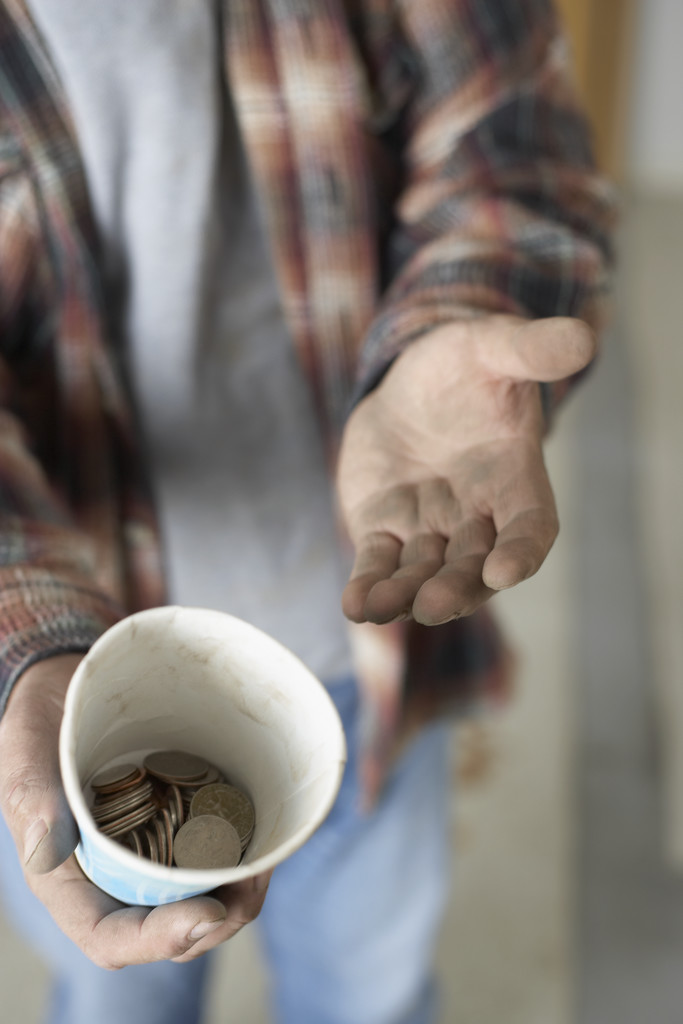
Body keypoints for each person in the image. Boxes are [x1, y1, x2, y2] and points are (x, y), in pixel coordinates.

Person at [0, 1, 615, 1022]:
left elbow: (507, 135)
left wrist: (459, 316)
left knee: (367, 993)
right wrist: (25, 635)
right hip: (65, 687)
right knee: (116, 995)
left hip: (373, 629)